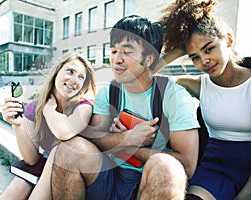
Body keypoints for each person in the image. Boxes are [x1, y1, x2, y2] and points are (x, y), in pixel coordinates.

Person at [28, 15, 200, 199]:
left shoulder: (174, 97)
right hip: (110, 178)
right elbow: (95, 138)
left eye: (126, 52)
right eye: (113, 51)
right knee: (69, 149)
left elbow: (187, 165)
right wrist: (126, 138)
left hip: (149, 185)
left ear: (149, 59)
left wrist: (129, 147)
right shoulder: (109, 93)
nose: (116, 59)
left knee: (166, 167)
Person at [157, 0, 251, 199]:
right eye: (195, 57)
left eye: (209, 49)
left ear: (229, 39)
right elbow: (143, 77)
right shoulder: (197, 85)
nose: (204, 61)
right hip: (216, 168)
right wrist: (177, 51)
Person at [0, 52, 96, 200]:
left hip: (74, 173)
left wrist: (49, 109)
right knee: (17, 188)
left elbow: (63, 133)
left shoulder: (83, 107)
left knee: (57, 152)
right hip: (46, 164)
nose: (74, 80)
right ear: (57, 71)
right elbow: (31, 159)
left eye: (81, 77)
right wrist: (17, 125)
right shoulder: (34, 107)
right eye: (70, 71)